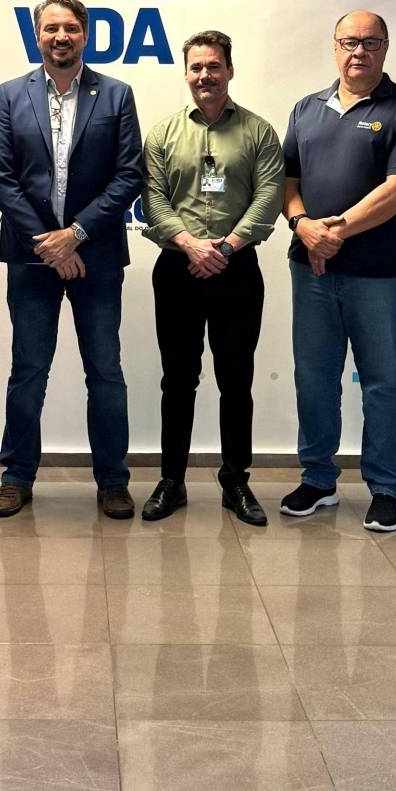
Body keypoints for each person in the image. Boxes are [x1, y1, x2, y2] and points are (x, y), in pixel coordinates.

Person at [0, 0, 142, 518]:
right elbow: (1, 179)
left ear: (85, 35)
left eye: (71, 28)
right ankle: (17, 475)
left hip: (95, 257)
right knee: (29, 368)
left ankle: (113, 480)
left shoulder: (116, 95)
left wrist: (74, 234)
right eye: (51, 28)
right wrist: (50, 245)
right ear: (37, 35)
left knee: (105, 371)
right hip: (33, 260)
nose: (61, 36)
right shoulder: (11, 95)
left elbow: (128, 177)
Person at [280, 11, 396, 532]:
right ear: (334, 47)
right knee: (314, 378)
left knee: (383, 383)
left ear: (386, 48)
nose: (358, 51)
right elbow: (287, 180)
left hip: (379, 274)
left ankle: (387, 488)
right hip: (312, 271)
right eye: (349, 41)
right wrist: (304, 228)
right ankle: (318, 478)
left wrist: (335, 232)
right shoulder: (306, 108)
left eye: (370, 42)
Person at [139, 30, 285, 525]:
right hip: (178, 268)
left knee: (235, 380)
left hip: (237, 268)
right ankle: (171, 481)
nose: (205, 75)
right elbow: (153, 200)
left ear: (229, 70)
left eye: (214, 66)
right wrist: (189, 244)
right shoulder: (161, 135)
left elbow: (268, 200)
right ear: (186, 73)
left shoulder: (259, 132)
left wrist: (225, 246)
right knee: (177, 379)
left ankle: (235, 481)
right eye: (196, 67)